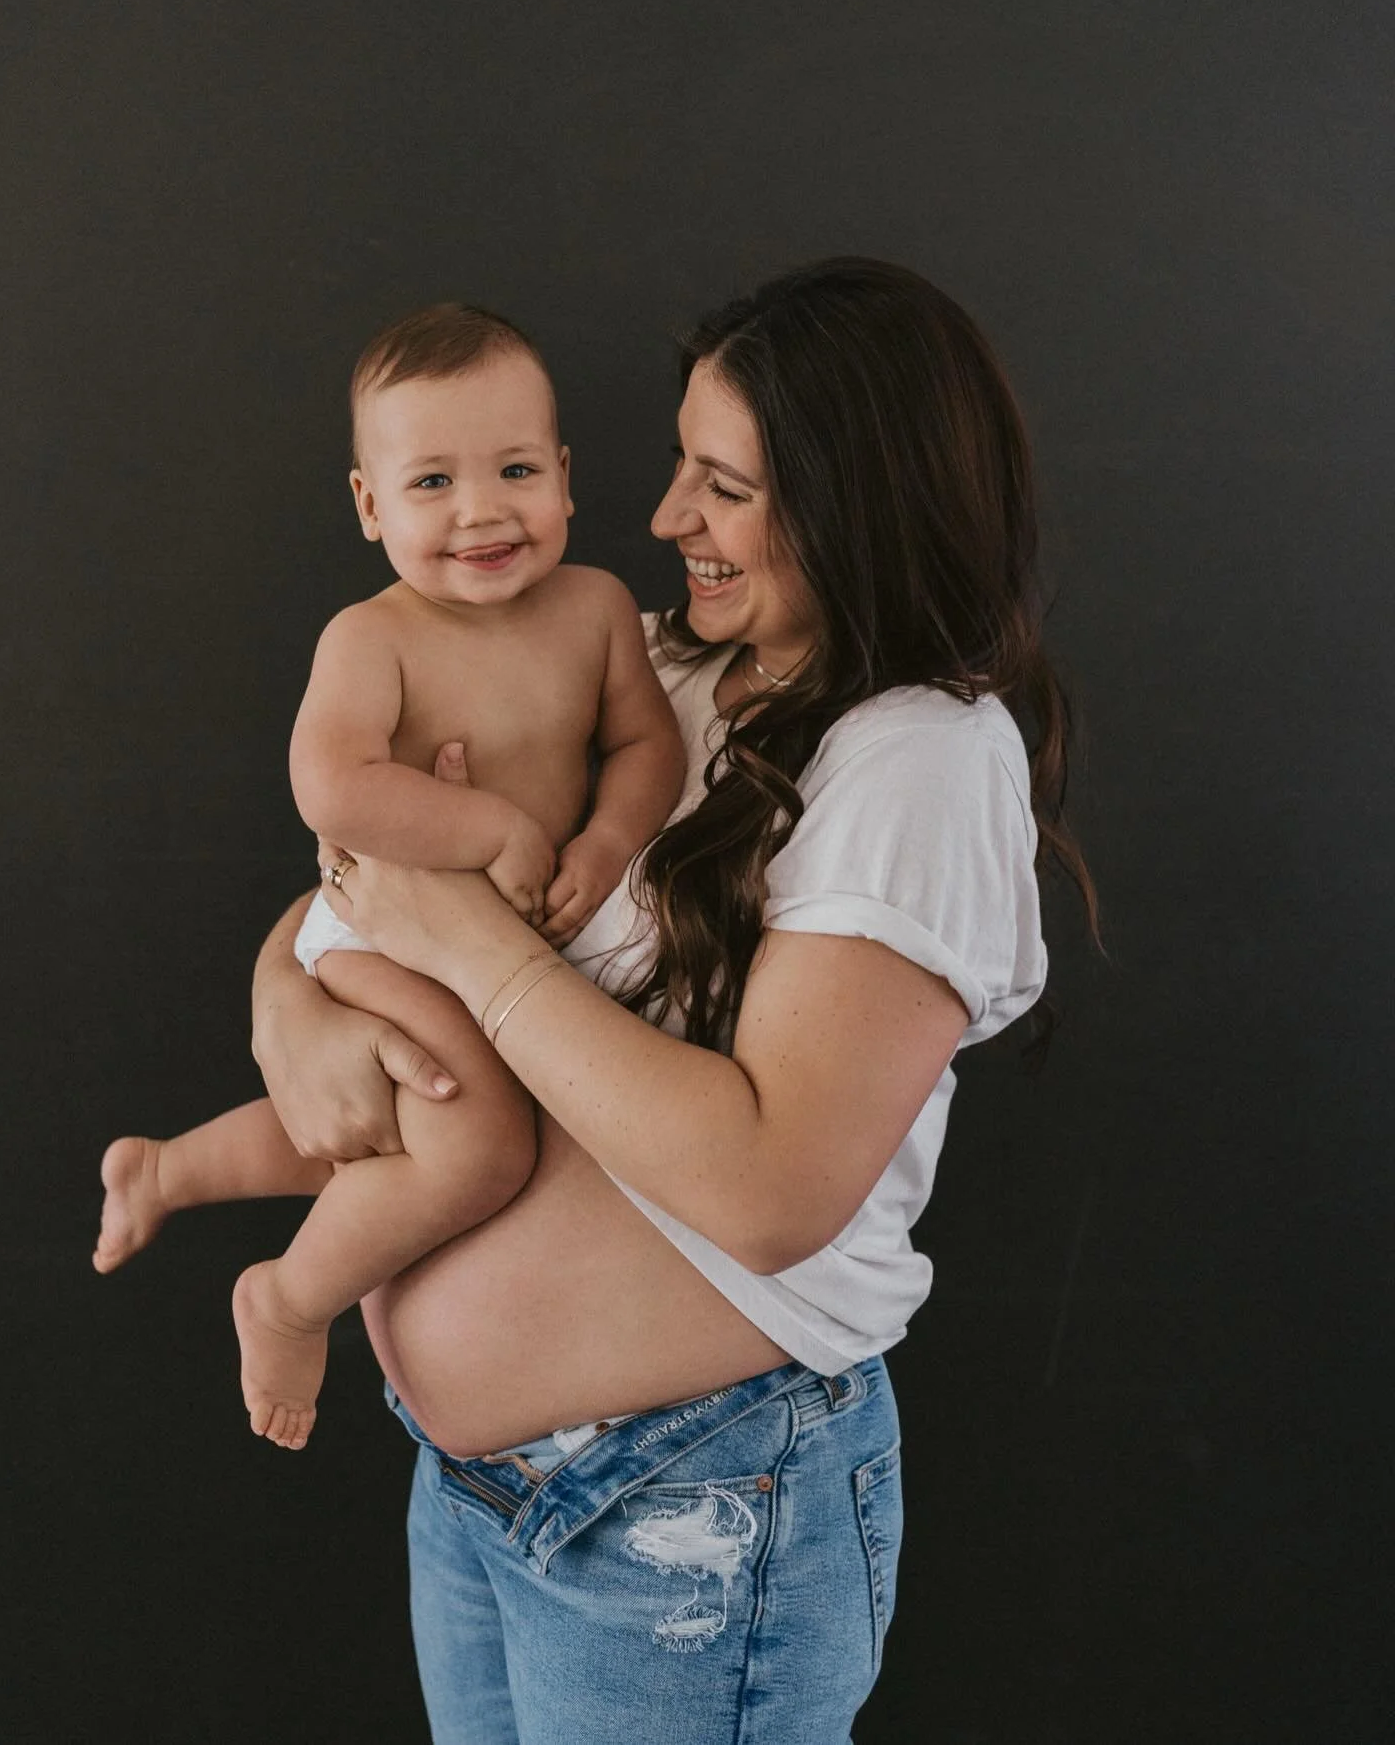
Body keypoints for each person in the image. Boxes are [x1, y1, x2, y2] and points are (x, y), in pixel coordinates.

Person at [250, 258, 1098, 1743]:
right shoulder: (667, 667)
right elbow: (372, 876)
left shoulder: (920, 757)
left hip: (688, 1505)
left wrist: (481, 954)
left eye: (723, 485)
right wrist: (292, 1008)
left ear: (855, 500)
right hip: (486, 1490)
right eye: (679, 469)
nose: (664, 520)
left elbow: (771, 1186)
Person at [92, 302, 687, 1451]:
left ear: (564, 477)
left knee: (388, 1132)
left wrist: (607, 840)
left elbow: (648, 746)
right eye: (430, 483)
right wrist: (490, 831)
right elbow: (332, 785)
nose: (481, 510)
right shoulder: (375, 637)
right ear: (368, 504)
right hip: (382, 932)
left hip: (503, 948)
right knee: (477, 1142)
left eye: (516, 468)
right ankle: (288, 1298)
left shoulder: (599, 609)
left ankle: (166, 1169)